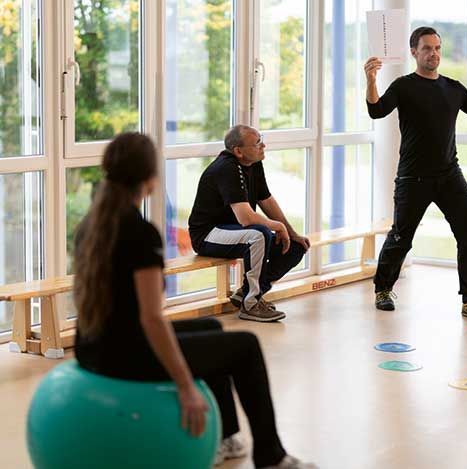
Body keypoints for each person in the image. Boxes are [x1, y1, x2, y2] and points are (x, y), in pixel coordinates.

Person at [73, 133, 315, 469]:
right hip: (124, 354)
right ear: (150, 178)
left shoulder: (92, 223)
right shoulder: (139, 233)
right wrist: (186, 385)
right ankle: (270, 456)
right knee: (246, 346)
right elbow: (151, 319)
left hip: (92, 345)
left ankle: (227, 437)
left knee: (212, 327)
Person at [364, 26, 467, 322]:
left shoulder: (453, 88)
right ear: (414, 52)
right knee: (401, 236)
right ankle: (383, 289)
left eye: (437, 48)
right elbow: (377, 110)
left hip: (449, 175)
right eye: (426, 48)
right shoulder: (403, 86)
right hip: (413, 178)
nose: (433, 53)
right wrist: (371, 81)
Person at [188, 125, 310, 322]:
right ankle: (251, 304)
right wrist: (277, 226)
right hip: (208, 235)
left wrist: (291, 232)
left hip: (236, 231)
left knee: (296, 246)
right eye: (257, 143)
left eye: (261, 140)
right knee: (259, 234)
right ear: (238, 151)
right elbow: (246, 218)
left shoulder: (253, 164)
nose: (263, 146)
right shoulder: (226, 168)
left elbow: (266, 200)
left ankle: (247, 293)